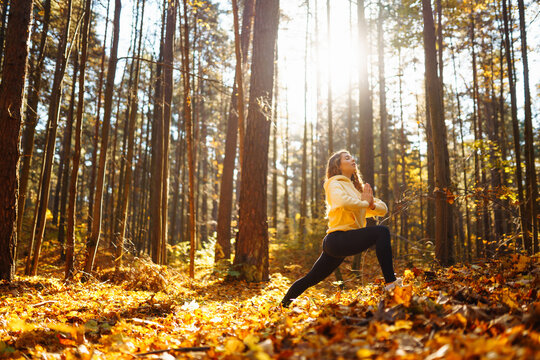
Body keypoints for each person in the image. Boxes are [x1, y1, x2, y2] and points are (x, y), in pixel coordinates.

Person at [281, 150, 400, 308]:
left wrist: (370, 204)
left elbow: (382, 208)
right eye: (347, 157)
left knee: (310, 279)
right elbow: (343, 202)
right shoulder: (333, 183)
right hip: (337, 240)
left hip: (342, 242)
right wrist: (365, 203)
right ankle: (391, 283)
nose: (352, 159)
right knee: (382, 232)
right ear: (338, 166)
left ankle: (282, 306)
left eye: (351, 156)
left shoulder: (355, 190)